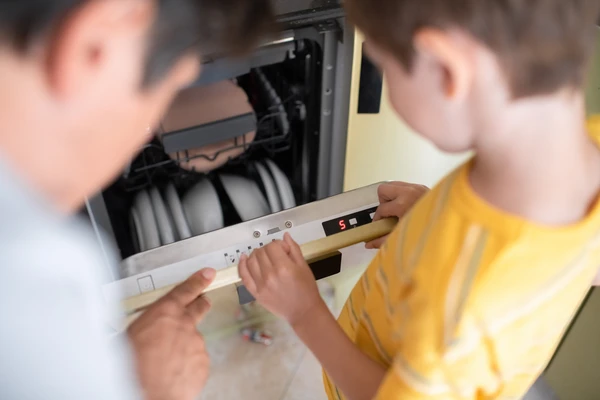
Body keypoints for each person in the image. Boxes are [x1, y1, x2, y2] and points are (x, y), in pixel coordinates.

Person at [238, 1, 600, 399]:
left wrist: (304, 312)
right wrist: (437, 225)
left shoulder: (465, 296)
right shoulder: (583, 151)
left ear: (446, 71)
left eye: (382, 66)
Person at [0, 0, 274, 399]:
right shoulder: (35, 274)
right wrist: (149, 390)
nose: (149, 134)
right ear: (95, 47)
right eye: (169, 89)